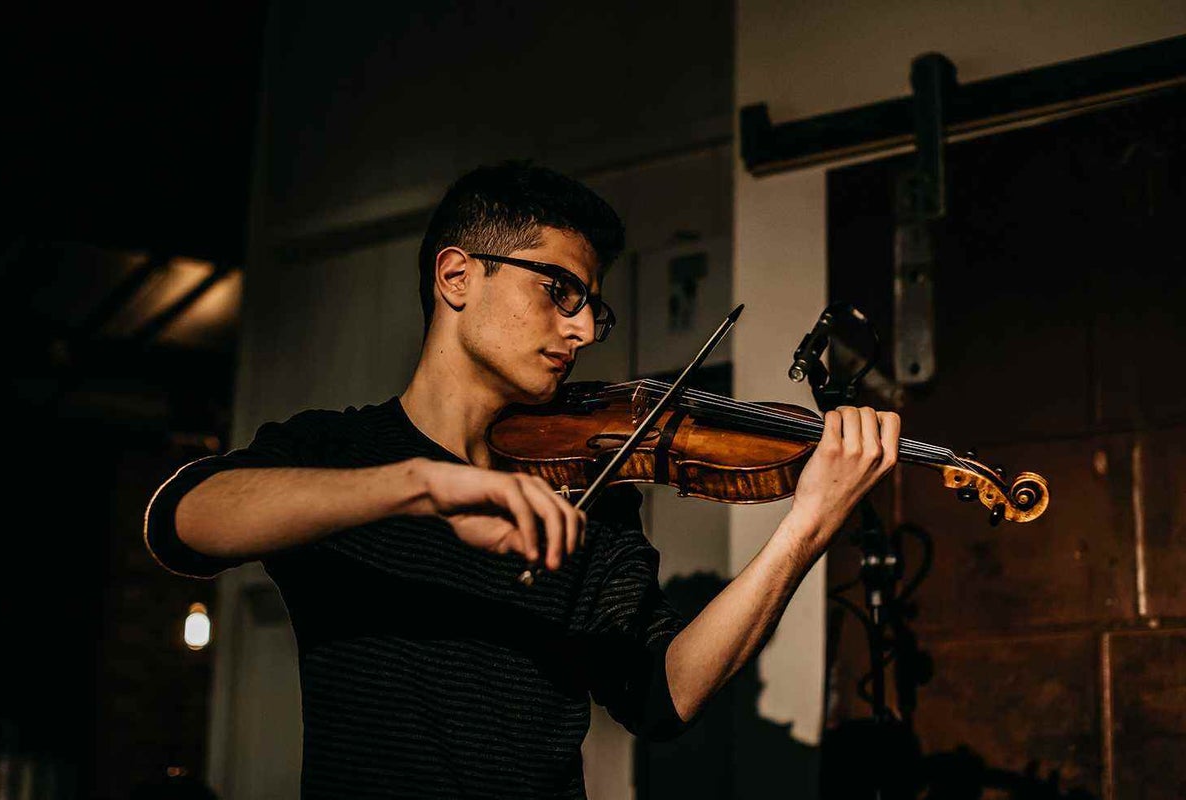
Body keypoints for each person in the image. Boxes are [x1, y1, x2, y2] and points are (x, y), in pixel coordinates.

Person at [144, 161, 900, 798]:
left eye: (590, 310)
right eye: (558, 291)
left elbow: (661, 695)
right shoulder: (338, 449)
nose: (580, 330)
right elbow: (182, 517)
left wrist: (805, 527)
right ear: (456, 276)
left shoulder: (594, 494)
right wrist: (422, 486)